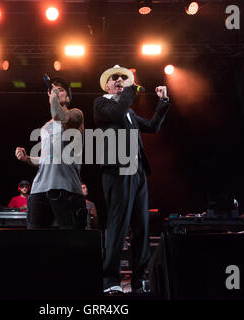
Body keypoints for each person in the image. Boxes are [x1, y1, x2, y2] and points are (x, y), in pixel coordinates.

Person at [93, 65, 171, 294]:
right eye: (115, 78)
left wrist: (163, 103)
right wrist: (129, 89)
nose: (120, 80)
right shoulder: (102, 103)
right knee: (118, 225)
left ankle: (140, 281)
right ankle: (110, 281)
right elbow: (115, 114)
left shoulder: (129, 112)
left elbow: (153, 126)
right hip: (117, 171)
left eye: (124, 77)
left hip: (137, 172)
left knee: (142, 227)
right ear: (107, 85)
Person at [15, 77, 87, 229]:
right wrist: (27, 158)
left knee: (69, 241)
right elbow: (46, 159)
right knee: (36, 241)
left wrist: (53, 99)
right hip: (39, 190)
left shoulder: (75, 115)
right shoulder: (45, 127)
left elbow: (59, 116)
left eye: (60, 90)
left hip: (66, 189)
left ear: (67, 97)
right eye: (53, 90)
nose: (56, 92)